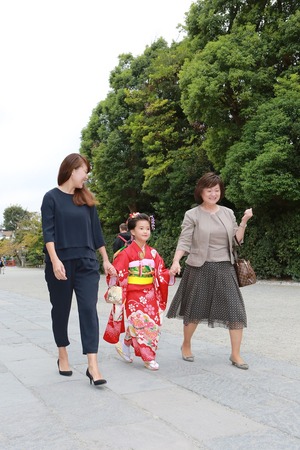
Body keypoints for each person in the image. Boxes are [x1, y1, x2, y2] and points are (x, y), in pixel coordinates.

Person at [41, 153, 117, 386]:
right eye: (84, 170)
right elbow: (49, 232)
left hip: (86, 263)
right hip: (61, 263)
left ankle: (92, 365)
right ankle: (62, 354)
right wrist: (54, 261)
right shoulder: (51, 198)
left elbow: (97, 233)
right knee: (61, 309)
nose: (86, 175)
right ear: (71, 170)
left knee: (88, 309)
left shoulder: (86, 200)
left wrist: (105, 259)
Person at [166, 172, 253, 370]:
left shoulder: (227, 213)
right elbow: (185, 240)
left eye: (217, 190)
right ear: (201, 191)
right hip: (199, 267)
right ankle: (186, 344)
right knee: (194, 310)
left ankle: (235, 354)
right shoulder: (192, 214)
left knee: (236, 311)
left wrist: (244, 221)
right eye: (209, 190)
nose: (213, 194)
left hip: (225, 267)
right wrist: (176, 260)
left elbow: (236, 241)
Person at [103, 213, 174, 370]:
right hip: (133, 294)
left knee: (152, 322)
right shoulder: (125, 252)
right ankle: (148, 358)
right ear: (132, 231)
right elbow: (118, 272)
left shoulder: (153, 253)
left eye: (147, 228)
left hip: (150, 293)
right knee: (143, 323)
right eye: (141, 228)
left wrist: (170, 273)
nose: (145, 231)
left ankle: (125, 344)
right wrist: (113, 271)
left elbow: (161, 272)